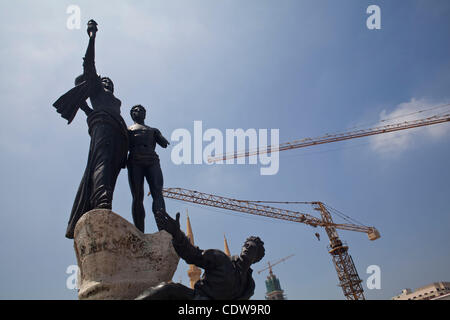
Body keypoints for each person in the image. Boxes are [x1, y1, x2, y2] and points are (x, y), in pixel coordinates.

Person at [53, 20, 129, 239]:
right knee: (101, 163)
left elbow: (89, 109)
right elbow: (89, 64)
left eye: (110, 81)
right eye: (105, 79)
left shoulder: (112, 99)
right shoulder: (96, 89)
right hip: (103, 129)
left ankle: (105, 199)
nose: (108, 82)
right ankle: (101, 201)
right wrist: (92, 38)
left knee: (112, 170)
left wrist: (87, 111)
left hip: (119, 134)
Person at [136, 210, 265, 300]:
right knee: (167, 289)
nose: (247, 248)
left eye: (252, 247)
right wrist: (177, 234)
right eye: (246, 245)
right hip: (196, 299)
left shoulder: (249, 286)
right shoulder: (220, 258)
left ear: (256, 257)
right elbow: (193, 255)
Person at [127, 105, 169, 233]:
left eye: (141, 110)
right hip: (135, 160)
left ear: (145, 114)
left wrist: (159, 135)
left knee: (157, 193)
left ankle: (163, 229)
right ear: (131, 114)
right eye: (135, 110)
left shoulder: (153, 130)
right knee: (137, 196)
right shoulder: (127, 129)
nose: (138, 111)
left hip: (152, 159)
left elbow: (164, 144)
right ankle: (140, 231)